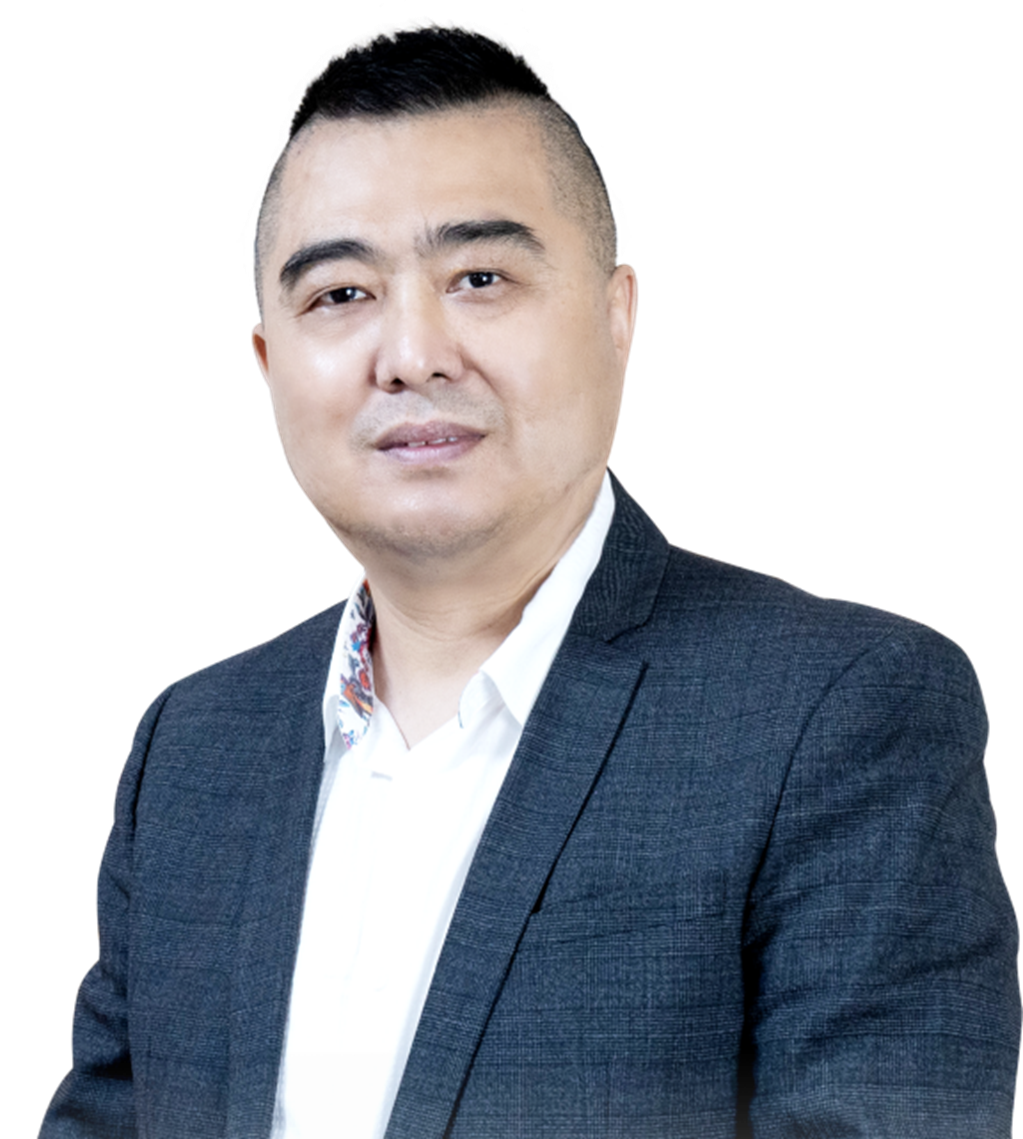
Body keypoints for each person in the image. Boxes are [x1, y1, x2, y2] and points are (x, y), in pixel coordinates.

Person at [40, 18, 1020, 1139]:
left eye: (480, 276)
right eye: (340, 295)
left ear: (617, 316)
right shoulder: (193, 745)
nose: (412, 353)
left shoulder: (841, 714)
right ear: (268, 362)